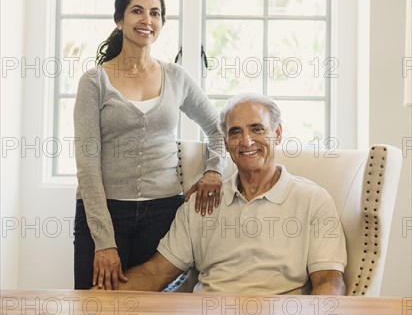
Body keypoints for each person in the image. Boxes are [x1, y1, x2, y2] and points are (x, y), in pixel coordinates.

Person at [106, 93, 347, 295]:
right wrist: (96, 298)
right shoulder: (201, 203)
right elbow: (155, 272)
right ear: (226, 142)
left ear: (278, 133)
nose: (247, 141)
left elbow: (329, 282)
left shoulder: (314, 201)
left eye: (257, 129)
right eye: (235, 132)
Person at [73, 0, 225, 290]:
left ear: (162, 23)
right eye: (137, 11)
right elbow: (87, 163)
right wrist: (104, 242)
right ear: (120, 20)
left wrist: (214, 170)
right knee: (94, 314)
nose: (147, 20)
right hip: (106, 213)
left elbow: (219, 129)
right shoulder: (94, 82)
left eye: (155, 13)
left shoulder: (176, 77)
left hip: (162, 213)